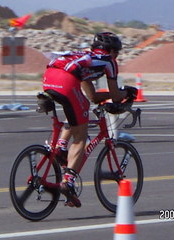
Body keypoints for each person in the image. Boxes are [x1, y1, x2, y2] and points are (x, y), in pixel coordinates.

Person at [42, 32, 137, 208]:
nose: (117, 56)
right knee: (81, 134)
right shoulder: (109, 61)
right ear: (112, 51)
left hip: (49, 76)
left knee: (80, 108)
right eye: (117, 53)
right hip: (66, 80)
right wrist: (128, 92)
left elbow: (92, 96)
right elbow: (116, 96)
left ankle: (61, 147)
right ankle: (68, 181)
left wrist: (107, 96)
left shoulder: (85, 56)